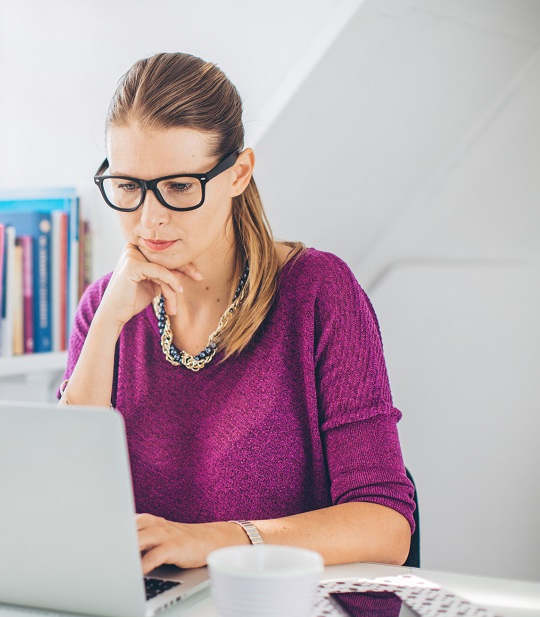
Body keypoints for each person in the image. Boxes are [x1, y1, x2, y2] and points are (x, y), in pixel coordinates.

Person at [58, 52, 415, 575]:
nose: (148, 220)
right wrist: (107, 327)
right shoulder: (103, 308)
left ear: (238, 173)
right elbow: (65, 506)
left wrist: (218, 541)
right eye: (129, 188)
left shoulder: (318, 293)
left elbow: (386, 525)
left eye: (179, 187)